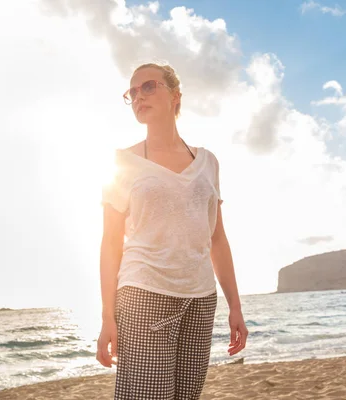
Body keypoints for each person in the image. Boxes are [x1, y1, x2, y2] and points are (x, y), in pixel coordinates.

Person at [97, 62, 248, 399]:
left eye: (148, 87)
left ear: (176, 95)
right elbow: (110, 244)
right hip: (144, 295)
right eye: (132, 92)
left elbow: (217, 239)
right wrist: (108, 317)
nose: (138, 96)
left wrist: (235, 306)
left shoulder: (208, 162)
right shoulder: (123, 162)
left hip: (200, 298)